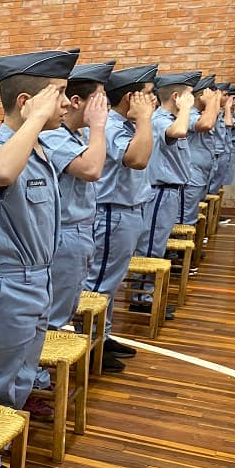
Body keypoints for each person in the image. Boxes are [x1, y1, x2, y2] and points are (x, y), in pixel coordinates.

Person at [0, 47, 80, 468]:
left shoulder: (40, 149)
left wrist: (34, 125)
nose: (67, 105)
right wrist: (31, 122)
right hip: (4, 283)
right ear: (29, 101)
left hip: (35, 280)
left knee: (18, 380)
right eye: (60, 95)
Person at [37, 61, 113, 381]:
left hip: (78, 232)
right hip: (65, 235)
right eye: (99, 100)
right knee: (51, 316)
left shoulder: (72, 135)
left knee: (62, 310)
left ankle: (40, 378)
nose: (104, 108)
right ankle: (38, 380)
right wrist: (98, 127)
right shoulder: (56, 137)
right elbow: (92, 169)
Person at [82, 64, 158, 366]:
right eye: (147, 96)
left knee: (110, 283)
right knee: (100, 283)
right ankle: (91, 346)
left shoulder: (126, 125)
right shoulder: (113, 126)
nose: (151, 102)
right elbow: (137, 159)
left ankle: (104, 335)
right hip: (113, 213)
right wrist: (145, 120)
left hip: (128, 211)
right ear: (130, 98)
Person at [130, 71, 199, 316]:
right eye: (189, 96)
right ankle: (140, 297)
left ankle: (144, 294)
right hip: (160, 192)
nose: (193, 100)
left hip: (170, 193)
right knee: (150, 246)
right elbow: (179, 132)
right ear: (177, 96)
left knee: (156, 245)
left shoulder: (169, 118)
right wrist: (186, 108)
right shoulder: (160, 120)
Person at [183, 76, 222, 227]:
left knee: (191, 214)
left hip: (201, 174)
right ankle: (177, 251)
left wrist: (213, 104)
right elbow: (205, 125)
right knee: (185, 216)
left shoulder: (202, 114)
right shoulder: (190, 114)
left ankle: (185, 248)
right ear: (201, 96)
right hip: (191, 175)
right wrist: (212, 102)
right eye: (211, 94)